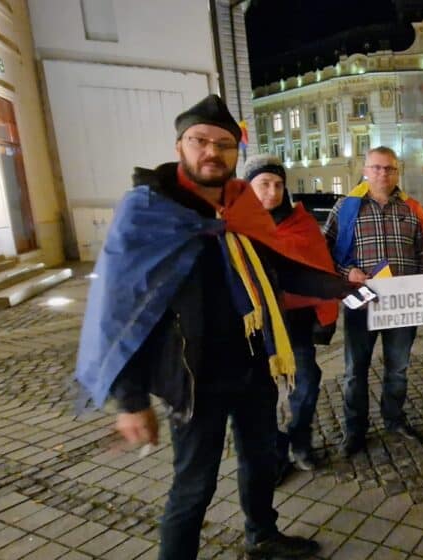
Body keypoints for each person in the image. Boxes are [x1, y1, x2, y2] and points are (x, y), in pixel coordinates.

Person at [75, 95, 353, 559]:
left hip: (253, 365)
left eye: (224, 144)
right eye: (200, 140)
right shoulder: (148, 210)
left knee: (262, 458)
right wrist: (131, 400)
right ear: (180, 145)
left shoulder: (241, 207)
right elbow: (118, 309)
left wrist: (342, 287)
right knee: (194, 484)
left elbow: (277, 270)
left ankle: (262, 534)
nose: (212, 152)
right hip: (195, 376)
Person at [323, 146, 423, 456]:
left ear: (398, 172)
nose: (383, 173)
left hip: (402, 305)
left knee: (398, 369)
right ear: (365, 170)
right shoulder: (346, 208)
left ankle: (394, 419)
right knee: (355, 371)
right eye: (376, 167)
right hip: (362, 303)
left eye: (389, 168)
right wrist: (348, 271)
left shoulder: (413, 209)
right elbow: (324, 252)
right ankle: (355, 430)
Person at [242, 154, 338, 474]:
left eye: (278, 184)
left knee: (307, 383)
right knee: (261, 397)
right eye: (264, 184)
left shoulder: (303, 224)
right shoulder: (235, 228)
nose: (272, 191)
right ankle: (273, 450)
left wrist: (325, 317)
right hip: (254, 329)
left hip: (295, 325)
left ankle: (300, 439)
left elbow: (321, 269)